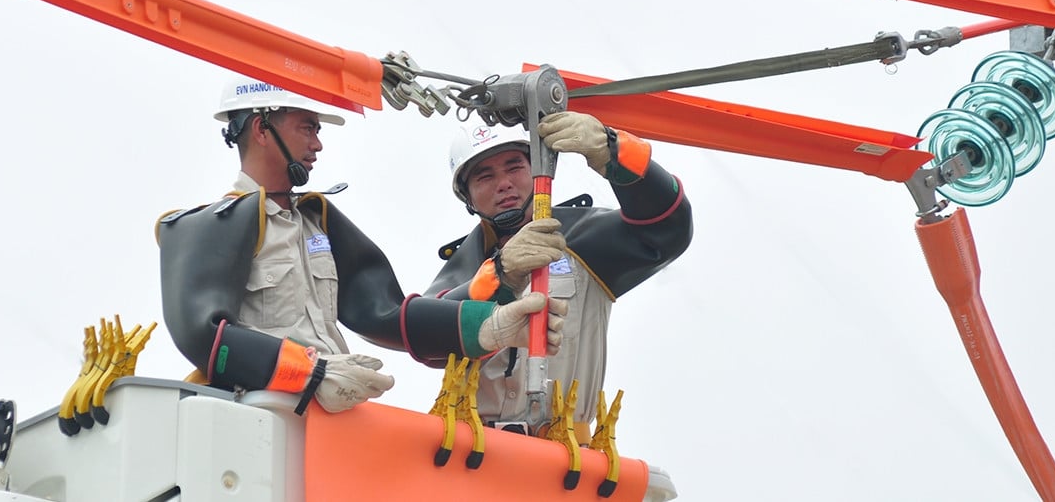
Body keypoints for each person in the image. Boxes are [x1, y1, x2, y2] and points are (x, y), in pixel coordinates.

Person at [157, 80, 567, 415]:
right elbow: (203, 335)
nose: (317, 144)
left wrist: (486, 325)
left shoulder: (318, 222)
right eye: (307, 127)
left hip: (326, 421)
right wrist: (309, 372)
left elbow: (388, 314)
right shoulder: (209, 225)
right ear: (262, 130)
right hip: (256, 418)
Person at [426, 112, 693, 444]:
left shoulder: (584, 242)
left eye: (514, 167)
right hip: (473, 451)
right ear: (468, 198)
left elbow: (667, 228)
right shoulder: (463, 270)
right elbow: (424, 333)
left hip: (562, 455)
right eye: (484, 176)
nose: (504, 183)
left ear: (539, 171)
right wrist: (499, 275)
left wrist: (614, 152)